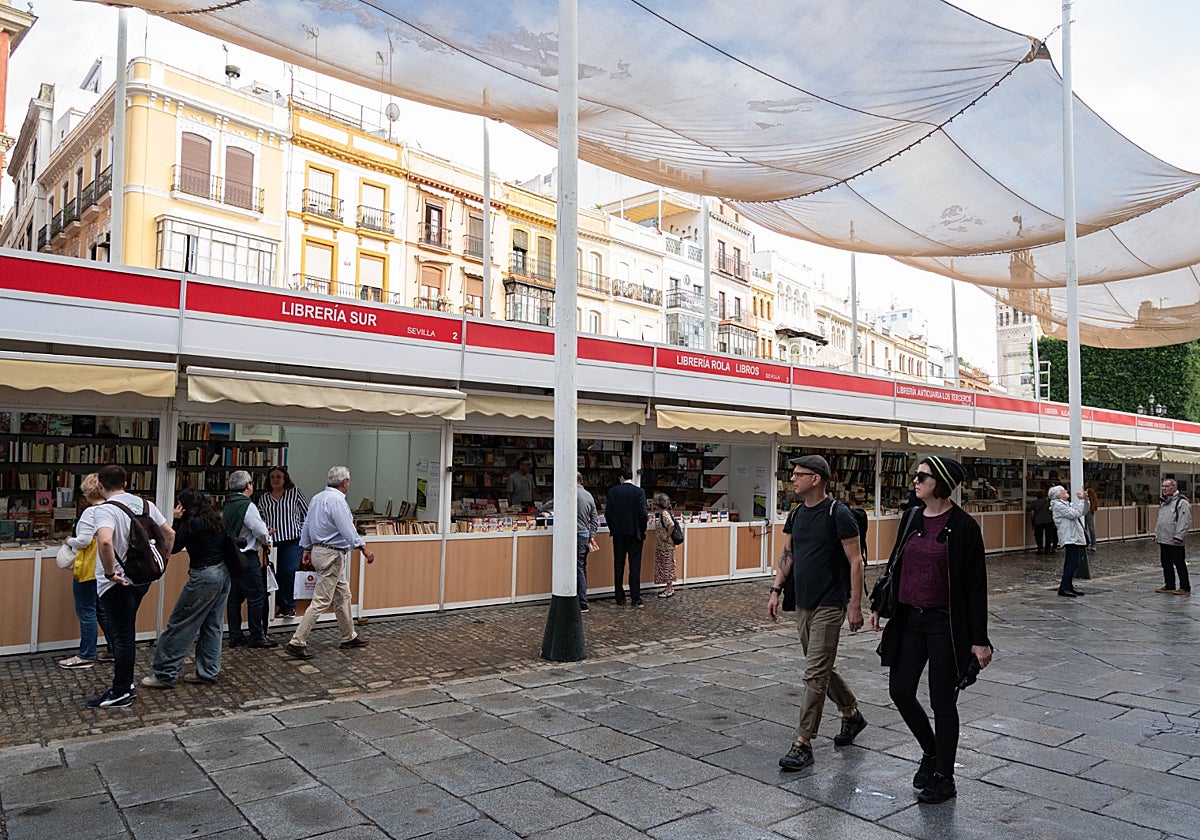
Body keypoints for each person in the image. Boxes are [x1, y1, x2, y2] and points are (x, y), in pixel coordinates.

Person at [871, 455, 991, 805]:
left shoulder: (964, 526)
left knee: (942, 701)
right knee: (901, 690)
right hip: (909, 619)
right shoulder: (910, 517)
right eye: (916, 475)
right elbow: (895, 564)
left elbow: (975, 587)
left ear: (939, 482)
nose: (915, 480)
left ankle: (944, 776)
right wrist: (881, 605)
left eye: (922, 476)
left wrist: (979, 641)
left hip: (944, 624)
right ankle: (931, 750)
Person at [767, 454, 866, 773]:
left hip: (830, 603)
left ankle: (803, 743)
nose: (792, 478)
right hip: (803, 601)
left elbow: (856, 561)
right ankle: (851, 714)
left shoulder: (839, 514)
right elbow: (788, 553)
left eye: (799, 474)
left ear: (817, 479)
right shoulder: (796, 514)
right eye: (792, 474)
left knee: (814, 673)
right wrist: (775, 589)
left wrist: (854, 605)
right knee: (819, 667)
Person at [82, 464, 174, 708]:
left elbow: (104, 542)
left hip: (117, 583)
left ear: (100, 486)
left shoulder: (105, 510)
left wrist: (111, 572)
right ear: (126, 482)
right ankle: (125, 684)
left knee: (122, 636)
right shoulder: (146, 505)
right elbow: (169, 533)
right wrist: (162, 562)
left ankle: (122, 690)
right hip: (141, 579)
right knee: (124, 632)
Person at [140, 489, 232, 688]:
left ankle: (165, 673)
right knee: (212, 625)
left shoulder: (194, 524)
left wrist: (176, 520)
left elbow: (172, 546)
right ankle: (208, 671)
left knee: (180, 624)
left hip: (204, 578)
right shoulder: (214, 520)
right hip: (222, 574)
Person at [286, 466, 375, 659]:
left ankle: (348, 636)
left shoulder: (318, 498)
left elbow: (307, 524)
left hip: (320, 551)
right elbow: (347, 528)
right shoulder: (337, 501)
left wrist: (307, 549)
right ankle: (297, 641)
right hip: (332, 555)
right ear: (345, 483)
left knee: (343, 595)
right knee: (321, 600)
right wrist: (363, 548)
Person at [58, 473, 111, 669]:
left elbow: (84, 541)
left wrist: (68, 541)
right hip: (103, 566)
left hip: (88, 567)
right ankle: (113, 648)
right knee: (101, 610)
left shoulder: (91, 512)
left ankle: (86, 654)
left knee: (86, 611)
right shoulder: (110, 509)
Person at [223, 471, 275, 648]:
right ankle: (256, 635)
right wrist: (267, 538)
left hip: (232, 555)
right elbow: (259, 530)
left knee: (235, 597)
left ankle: (235, 634)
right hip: (246, 556)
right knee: (257, 595)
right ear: (248, 486)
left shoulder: (229, 503)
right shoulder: (247, 505)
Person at [257, 466, 309, 619]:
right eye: (272, 477)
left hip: (293, 541)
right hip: (273, 543)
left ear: (285, 478)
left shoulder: (295, 493)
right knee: (275, 575)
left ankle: (289, 606)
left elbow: (307, 514)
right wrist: (266, 528)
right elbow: (260, 519)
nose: (275, 480)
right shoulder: (264, 498)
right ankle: (281, 606)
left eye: (278, 477)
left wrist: (300, 529)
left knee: (288, 571)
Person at [606, 466, 648, 608]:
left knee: (619, 564)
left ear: (621, 478)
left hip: (618, 533)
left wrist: (613, 528)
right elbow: (643, 514)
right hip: (635, 533)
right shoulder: (639, 492)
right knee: (634, 566)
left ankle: (619, 597)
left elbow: (608, 514)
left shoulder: (613, 492)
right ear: (632, 477)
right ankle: (635, 598)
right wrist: (642, 531)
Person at [1049, 485, 1088, 598]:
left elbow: (1083, 511)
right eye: (1063, 491)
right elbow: (1074, 514)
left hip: (1073, 536)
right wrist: (1081, 502)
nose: (1066, 491)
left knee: (1072, 562)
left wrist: (1085, 500)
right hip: (1069, 537)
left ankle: (1068, 586)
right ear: (1058, 495)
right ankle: (1064, 587)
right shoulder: (1058, 505)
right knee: (1073, 562)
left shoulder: (1065, 504)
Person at [1154, 477, 1192, 595]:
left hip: (1175, 539)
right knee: (1166, 563)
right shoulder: (1164, 501)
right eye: (1163, 486)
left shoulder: (1182, 502)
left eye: (1166, 486)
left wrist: (1179, 536)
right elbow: (1161, 520)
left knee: (1179, 563)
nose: (1164, 489)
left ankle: (1185, 587)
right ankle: (1169, 585)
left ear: (1174, 487)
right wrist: (1157, 534)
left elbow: (1184, 520)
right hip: (1164, 538)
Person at [652, 493, 678, 598]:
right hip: (664, 546)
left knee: (667, 566)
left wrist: (666, 536)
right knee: (667, 566)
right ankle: (669, 587)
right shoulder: (665, 513)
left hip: (665, 546)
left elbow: (671, 525)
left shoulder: (664, 514)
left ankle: (668, 589)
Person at [1030, 487, 1057, 554]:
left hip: (1038, 521)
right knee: (1049, 536)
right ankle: (1047, 549)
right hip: (1049, 521)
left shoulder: (1034, 502)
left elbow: (1028, 509)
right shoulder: (1048, 502)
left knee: (1038, 536)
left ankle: (1040, 548)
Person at [1084, 483, 1099, 551]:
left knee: (1091, 528)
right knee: (1084, 528)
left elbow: (1094, 501)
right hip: (1082, 511)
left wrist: (1093, 509)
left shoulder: (1090, 492)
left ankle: (1093, 544)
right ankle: (1086, 543)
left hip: (1089, 511)